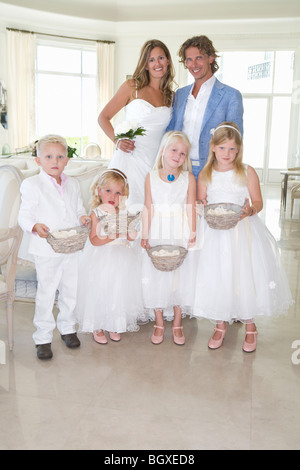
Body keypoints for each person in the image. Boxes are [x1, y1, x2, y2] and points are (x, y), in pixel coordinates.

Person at [193, 122, 293, 352]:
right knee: (219, 275)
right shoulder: (206, 174)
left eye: (232, 149)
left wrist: (251, 209)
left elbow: (258, 201)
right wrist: (201, 205)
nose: (227, 154)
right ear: (213, 148)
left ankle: (250, 325)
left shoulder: (246, 171)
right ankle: (220, 324)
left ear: (239, 150)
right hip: (215, 233)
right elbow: (201, 201)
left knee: (243, 275)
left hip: (242, 232)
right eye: (222, 148)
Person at [18, 134, 90, 360]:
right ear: (38, 161)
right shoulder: (32, 184)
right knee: (47, 293)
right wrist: (34, 225)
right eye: (49, 156)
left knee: (70, 289)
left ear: (67, 159)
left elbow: (78, 209)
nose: (55, 161)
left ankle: (68, 328)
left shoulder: (73, 184)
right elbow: (24, 215)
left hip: (71, 246)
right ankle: (43, 337)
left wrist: (83, 218)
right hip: (46, 249)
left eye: (60, 156)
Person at [98, 39, 175, 210]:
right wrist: (117, 140)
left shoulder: (171, 96)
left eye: (161, 58)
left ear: (168, 61)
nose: (157, 63)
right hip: (129, 158)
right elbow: (103, 117)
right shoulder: (132, 86)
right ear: (145, 64)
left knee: (149, 213)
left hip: (154, 162)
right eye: (151, 60)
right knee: (125, 209)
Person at [141, 131, 197, 345]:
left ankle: (177, 321)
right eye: (174, 150)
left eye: (183, 153)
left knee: (179, 275)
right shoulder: (151, 176)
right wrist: (145, 234)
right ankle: (159, 322)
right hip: (157, 229)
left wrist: (192, 233)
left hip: (180, 229)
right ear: (163, 150)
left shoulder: (188, 178)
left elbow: (191, 206)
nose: (178, 155)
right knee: (157, 274)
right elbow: (148, 206)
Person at [76, 169, 144, 343]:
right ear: (99, 191)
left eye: (118, 192)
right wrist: (110, 237)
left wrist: (131, 231)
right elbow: (94, 240)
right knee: (100, 289)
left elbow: (129, 235)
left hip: (120, 258)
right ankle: (96, 325)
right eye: (108, 191)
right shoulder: (96, 213)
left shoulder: (122, 213)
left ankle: (115, 323)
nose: (113, 196)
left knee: (117, 289)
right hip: (101, 257)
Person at [167, 35, 244, 180]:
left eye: (199, 58)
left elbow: (235, 139)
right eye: (189, 60)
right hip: (180, 170)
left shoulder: (231, 95)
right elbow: (171, 132)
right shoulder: (180, 94)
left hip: (213, 171)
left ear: (210, 58)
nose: (193, 64)